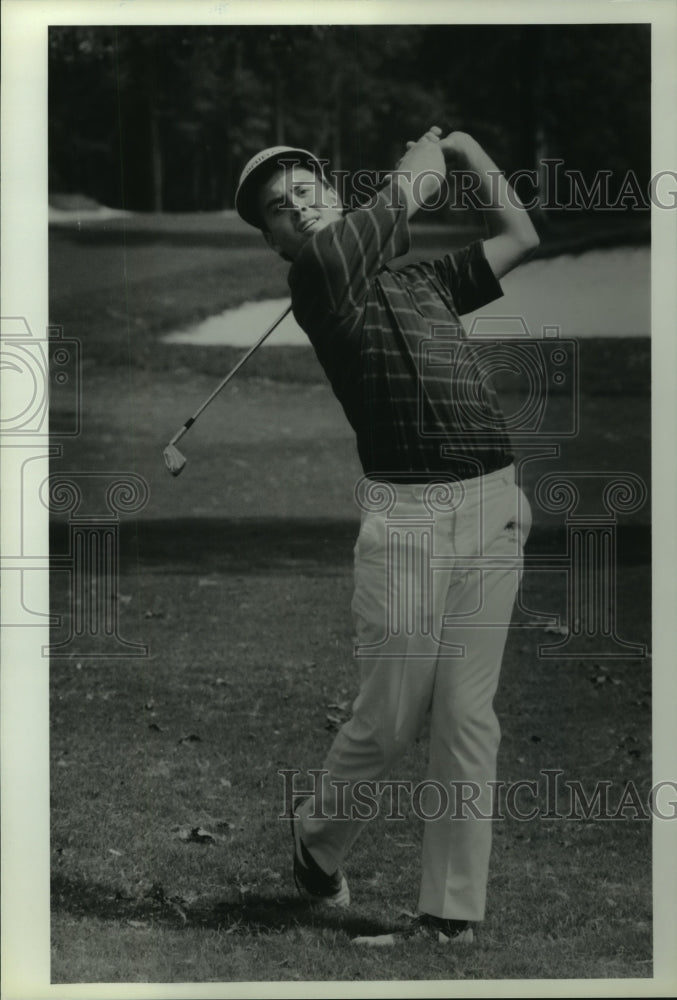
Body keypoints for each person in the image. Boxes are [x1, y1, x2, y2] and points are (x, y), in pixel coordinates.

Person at [234, 126, 539, 945]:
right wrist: (420, 169)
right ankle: (317, 843)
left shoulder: (424, 280)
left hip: (491, 506)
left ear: (333, 194)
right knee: (390, 717)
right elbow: (404, 197)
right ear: (275, 242)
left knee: (469, 717)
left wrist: (468, 150)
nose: (298, 207)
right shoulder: (317, 279)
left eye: (307, 190)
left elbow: (520, 235)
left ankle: (448, 916)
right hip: (407, 523)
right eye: (279, 209)